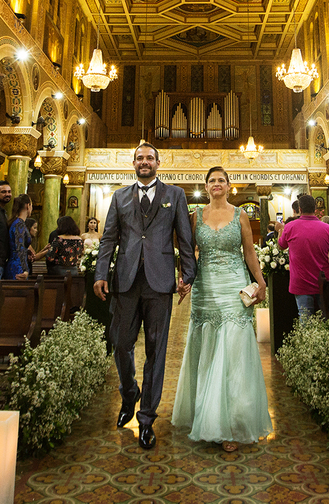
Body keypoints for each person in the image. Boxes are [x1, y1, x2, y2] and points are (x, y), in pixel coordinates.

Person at [93, 143, 196, 451]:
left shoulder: (174, 195)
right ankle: (129, 393)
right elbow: (109, 236)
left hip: (159, 281)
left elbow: (184, 238)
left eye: (150, 158)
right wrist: (100, 273)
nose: (145, 162)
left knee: (156, 350)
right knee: (121, 343)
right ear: (133, 163)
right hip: (125, 280)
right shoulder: (120, 196)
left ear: (158, 163)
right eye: (140, 158)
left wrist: (187, 274)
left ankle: (147, 418)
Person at [173, 166, 270, 453]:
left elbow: (249, 253)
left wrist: (260, 281)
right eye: (212, 180)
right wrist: (183, 280)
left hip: (233, 286)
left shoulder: (240, 215)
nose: (217, 184)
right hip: (206, 289)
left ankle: (232, 423)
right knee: (209, 351)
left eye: (221, 180)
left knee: (233, 353)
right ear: (206, 187)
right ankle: (207, 416)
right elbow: (187, 254)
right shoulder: (195, 217)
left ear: (229, 186)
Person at [279, 194, 329, 317]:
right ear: (315, 209)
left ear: (299, 209)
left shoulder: (290, 227)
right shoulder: (328, 229)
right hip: (324, 280)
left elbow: (281, 246)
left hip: (301, 281)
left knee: (305, 318)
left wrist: (280, 231)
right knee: (326, 317)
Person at [6, 195, 34, 280]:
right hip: (18, 266)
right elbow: (19, 248)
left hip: (17, 263)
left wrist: (27, 251)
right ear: (27, 205)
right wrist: (25, 269)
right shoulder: (19, 224)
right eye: (31, 205)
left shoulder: (18, 222)